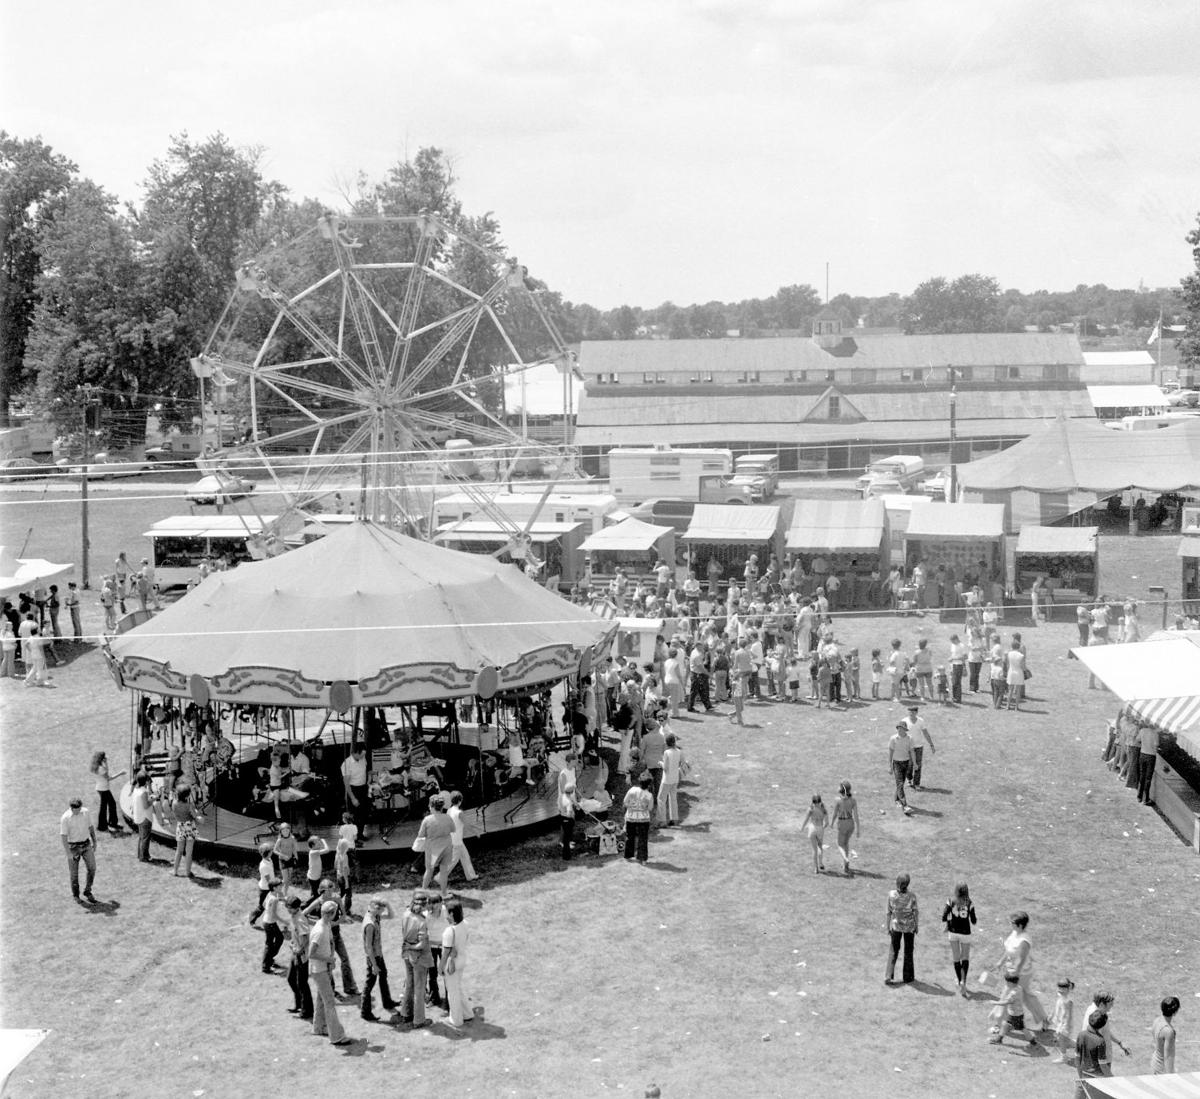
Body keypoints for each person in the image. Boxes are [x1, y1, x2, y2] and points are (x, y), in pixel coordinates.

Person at [308, 900, 353, 1045]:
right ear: (331, 914)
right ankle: (337, 1036)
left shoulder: (325, 924)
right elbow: (311, 953)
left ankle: (318, 1027)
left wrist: (330, 959)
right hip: (319, 970)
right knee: (329, 1002)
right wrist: (328, 959)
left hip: (323, 968)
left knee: (321, 998)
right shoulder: (320, 931)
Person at [994, 911, 1047, 1028]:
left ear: (1020, 925)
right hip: (1012, 971)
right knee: (1028, 997)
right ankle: (1044, 1019)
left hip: (1021, 974)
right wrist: (1000, 962)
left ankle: (998, 1023)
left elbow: (1021, 959)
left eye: (1012, 923)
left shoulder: (1024, 940)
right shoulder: (1014, 933)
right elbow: (1008, 950)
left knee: (1007, 995)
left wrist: (1014, 975)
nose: (1010, 924)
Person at [399, 890, 434, 1029]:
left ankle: (406, 1013)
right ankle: (419, 1020)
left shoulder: (405, 914)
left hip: (406, 954)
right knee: (419, 988)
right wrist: (413, 946)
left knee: (409, 984)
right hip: (418, 957)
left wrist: (408, 946)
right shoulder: (421, 922)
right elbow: (422, 945)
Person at [360, 896, 398, 1021]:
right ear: (378, 908)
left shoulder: (374, 916)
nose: (383, 912)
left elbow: (391, 916)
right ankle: (365, 1012)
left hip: (378, 954)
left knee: (383, 976)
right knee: (369, 983)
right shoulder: (370, 924)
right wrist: (374, 965)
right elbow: (368, 947)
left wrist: (387, 904)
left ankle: (387, 1002)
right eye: (382, 909)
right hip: (374, 957)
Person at [440, 897, 472, 1027]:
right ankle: (467, 1013)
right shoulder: (465, 923)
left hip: (451, 964)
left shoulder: (449, 931)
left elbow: (446, 952)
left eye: (447, 911)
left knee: (452, 992)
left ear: (451, 913)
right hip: (462, 959)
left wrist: (440, 966)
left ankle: (456, 1020)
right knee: (458, 987)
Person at [60, 797, 98, 904]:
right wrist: (68, 853)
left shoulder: (85, 813)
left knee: (92, 868)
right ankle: (76, 895)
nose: (77, 811)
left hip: (86, 844)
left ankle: (88, 891)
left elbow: (90, 827)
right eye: (75, 809)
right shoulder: (65, 818)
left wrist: (94, 841)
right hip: (73, 847)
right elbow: (63, 836)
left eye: (78, 809)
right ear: (71, 808)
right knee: (74, 874)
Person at [941, 882, 976, 995]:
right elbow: (974, 921)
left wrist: (948, 923)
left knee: (956, 958)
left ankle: (959, 980)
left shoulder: (950, 901)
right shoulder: (969, 903)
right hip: (966, 933)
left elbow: (943, 916)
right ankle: (963, 982)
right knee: (965, 958)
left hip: (953, 933)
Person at [1083, 990, 1130, 1071]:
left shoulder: (1097, 1012)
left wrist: (1119, 1043)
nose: (1110, 1009)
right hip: (1098, 1061)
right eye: (1110, 1005)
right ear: (1101, 1004)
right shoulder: (1095, 1018)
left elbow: (1106, 1031)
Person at [884, 872, 918, 985]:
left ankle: (889, 975)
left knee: (893, 950)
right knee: (908, 951)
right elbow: (915, 912)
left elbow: (888, 912)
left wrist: (887, 926)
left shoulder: (891, 895)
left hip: (895, 926)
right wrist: (916, 926)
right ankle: (908, 977)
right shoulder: (912, 896)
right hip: (909, 927)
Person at [988, 972, 1038, 1047]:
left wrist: (995, 1002)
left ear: (1010, 983)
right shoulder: (1019, 987)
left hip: (1015, 1015)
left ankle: (1032, 1042)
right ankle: (999, 1039)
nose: (1006, 984)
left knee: (1023, 1029)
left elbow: (1006, 1002)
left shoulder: (1013, 993)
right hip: (1015, 1013)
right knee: (1005, 1024)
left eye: (1007, 982)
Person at [285, 896, 314, 1019]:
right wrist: (292, 942)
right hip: (295, 953)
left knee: (302, 983)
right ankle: (299, 1004)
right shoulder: (294, 917)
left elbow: (306, 938)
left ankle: (307, 1010)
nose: (287, 910)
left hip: (301, 956)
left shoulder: (300, 920)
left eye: (289, 908)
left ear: (295, 908)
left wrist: (299, 949)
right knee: (291, 979)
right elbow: (295, 935)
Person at [445, 790, 479, 883]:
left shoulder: (449, 810)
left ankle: (471, 876)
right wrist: (476, 832)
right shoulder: (459, 813)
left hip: (453, 838)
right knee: (453, 860)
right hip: (457, 840)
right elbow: (467, 825)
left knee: (465, 857)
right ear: (460, 801)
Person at [170, 784, 202, 877]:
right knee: (189, 852)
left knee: (179, 850)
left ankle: (175, 871)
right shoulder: (189, 805)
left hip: (180, 826)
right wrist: (197, 813)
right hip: (189, 827)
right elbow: (195, 816)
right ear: (187, 796)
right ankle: (188, 872)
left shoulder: (174, 803)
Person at [90, 750, 125, 833]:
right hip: (103, 789)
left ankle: (107, 824)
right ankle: (108, 825)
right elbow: (109, 778)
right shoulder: (101, 768)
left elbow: (106, 773)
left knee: (107, 806)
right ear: (101, 759)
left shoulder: (96, 766)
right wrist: (120, 773)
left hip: (100, 788)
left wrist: (105, 763)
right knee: (109, 805)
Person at [340, 743, 369, 843]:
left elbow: (364, 772)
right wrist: (352, 798)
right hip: (353, 789)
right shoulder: (347, 764)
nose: (362, 757)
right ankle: (353, 837)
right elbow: (346, 783)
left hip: (363, 788)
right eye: (361, 755)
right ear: (355, 753)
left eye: (364, 755)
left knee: (364, 813)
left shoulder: (363, 759)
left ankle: (360, 834)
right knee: (354, 815)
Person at [829, 781, 859, 876]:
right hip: (851, 823)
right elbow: (856, 816)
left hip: (842, 823)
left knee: (840, 844)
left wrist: (832, 823)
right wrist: (858, 829)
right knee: (846, 843)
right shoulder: (853, 800)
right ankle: (846, 867)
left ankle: (846, 859)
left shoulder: (838, 800)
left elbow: (834, 813)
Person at [1076, 1010, 1112, 1091]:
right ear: (1102, 1025)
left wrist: (1080, 1077)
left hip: (1084, 1078)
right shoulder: (1100, 1041)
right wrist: (1113, 1080)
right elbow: (1103, 1066)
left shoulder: (1081, 1035)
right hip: (1097, 1082)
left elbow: (1077, 1059)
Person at [902, 705, 936, 789]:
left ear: (916, 713)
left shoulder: (921, 721)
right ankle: (909, 779)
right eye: (910, 712)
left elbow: (925, 733)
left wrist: (931, 744)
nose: (911, 714)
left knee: (918, 765)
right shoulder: (904, 721)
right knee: (909, 765)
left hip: (918, 746)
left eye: (913, 712)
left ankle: (916, 784)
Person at [623, 775, 654, 863]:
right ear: (648, 785)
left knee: (630, 836)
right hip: (643, 819)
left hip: (630, 817)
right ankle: (642, 858)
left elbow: (625, 802)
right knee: (643, 838)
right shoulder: (649, 795)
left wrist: (631, 807)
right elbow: (650, 808)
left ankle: (628, 856)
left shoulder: (632, 790)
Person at [261, 878, 288, 974]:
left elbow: (264, 905)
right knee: (271, 943)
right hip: (270, 923)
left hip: (267, 922)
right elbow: (274, 915)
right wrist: (285, 921)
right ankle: (266, 966)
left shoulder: (269, 895)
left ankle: (269, 960)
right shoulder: (275, 899)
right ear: (275, 888)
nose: (281, 887)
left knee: (277, 939)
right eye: (280, 886)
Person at [557, 752, 581, 860]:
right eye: (574, 760)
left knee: (572, 820)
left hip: (572, 797)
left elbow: (574, 785)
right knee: (566, 820)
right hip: (565, 799)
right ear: (569, 762)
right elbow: (563, 790)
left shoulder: (573, 770)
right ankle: (563, 842)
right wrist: (570, 800)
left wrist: (578, 795)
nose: (576, 762)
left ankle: (568, 839)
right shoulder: (563, 773)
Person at [888, 722, 915, 815]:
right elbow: (891, 752)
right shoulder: (893, 738)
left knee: (901, 783)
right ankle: (905, 805)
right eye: (898, 728)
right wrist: (890, 765)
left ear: (905, 730)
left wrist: (914, 763)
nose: (899, 730)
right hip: (896, 763)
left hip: (906, 762)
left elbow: (912, 751)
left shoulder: (909, 739)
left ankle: (896, 799)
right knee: (899, 783)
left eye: (901, 728)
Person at [659, 733, 685, 826]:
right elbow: (683, 763)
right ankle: (674, 819)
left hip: (666, 779)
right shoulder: (679, 751)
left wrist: (660, 763)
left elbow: (665, 768)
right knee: (673, 798)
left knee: (661, 799)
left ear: (667, 743)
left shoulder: (667, 753)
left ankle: (663, 821)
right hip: (675, 778)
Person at [799, 794, 828, 874]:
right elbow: (827, 823)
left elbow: (806, 819)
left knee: (814, 850)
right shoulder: (823, 809)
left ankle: (816, 868)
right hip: (820, 828)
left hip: (812, 828)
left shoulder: (810, 809)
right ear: (820, 801)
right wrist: (823, 828)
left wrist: (802, 827)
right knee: (820, 847)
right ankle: (821, 863)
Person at [1049, 978, 1076, 1064]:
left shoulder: (1068, 1001)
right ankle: (1079, 1045)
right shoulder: (1061, 996)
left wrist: (1065, 1026)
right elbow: (1057, 1005)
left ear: (1068, 989)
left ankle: (1063, 1057)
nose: (1060, 990)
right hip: (1059, 1022)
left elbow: (1068, 1015)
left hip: (1064, 1024)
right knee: (1065, 1039)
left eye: (1063, 989)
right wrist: (1052, 1014)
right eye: (1059, 988)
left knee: (1061, 1039)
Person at [1151, 996, 1180, 1074]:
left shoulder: (1156, 1021)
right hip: (1162, 1068)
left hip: (1155, 1062)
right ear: (1175, 1012)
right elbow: (1168, 1056)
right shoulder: (1169, 1032)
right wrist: (1170, 1076)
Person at [131, 772, 154, 862]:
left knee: (142, 837)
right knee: (145, 838)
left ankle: (141, 854)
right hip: (145, 817)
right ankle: (143, 857)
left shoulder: (136, 790)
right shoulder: (143, 792)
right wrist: (153, 799)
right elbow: (146, 805)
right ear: (145, 781)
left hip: (139, 816)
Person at [1136, 720, 1160, 805]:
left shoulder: (1142, 730)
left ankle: (1139, 796)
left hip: (1143, 754)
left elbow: (1137, 740)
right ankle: (1146, 799)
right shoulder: (1155, 734)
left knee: (1142, 775)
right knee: (1148, 778)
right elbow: (1156, 746)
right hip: (1151, 756)